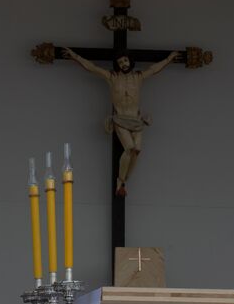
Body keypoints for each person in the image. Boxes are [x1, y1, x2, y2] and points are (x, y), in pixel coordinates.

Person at [63, 48, 180, 196]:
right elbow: (92, 68)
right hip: (120, 119)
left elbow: (154, 69)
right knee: (130, 148)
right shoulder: (112, 77)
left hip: (136, 120)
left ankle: (124, 180)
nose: (123, 64)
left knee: (137, 151)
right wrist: (75, 56)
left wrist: (169, 58)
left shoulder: (139, 77)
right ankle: (120, 180)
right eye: (119, 62)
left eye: (125, 60)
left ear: (130, 61)